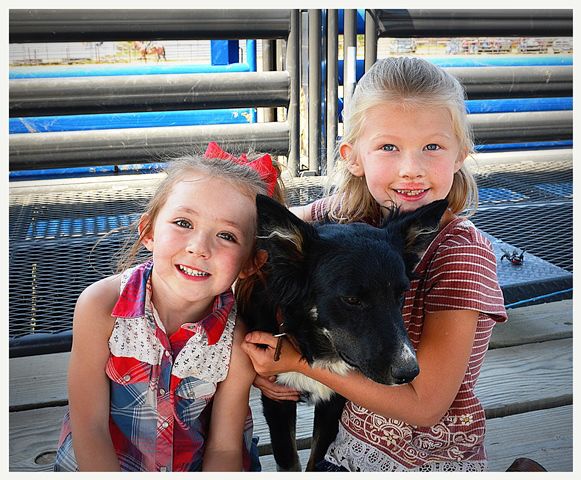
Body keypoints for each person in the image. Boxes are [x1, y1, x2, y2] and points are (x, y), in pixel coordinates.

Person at [242, 56, 508, 472]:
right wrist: (253, 361)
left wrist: (291, 363)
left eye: (432, 147)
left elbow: (424, 408)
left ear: (461, 155)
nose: (411, 170)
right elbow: (252, 247)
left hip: (419, 454)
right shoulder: (342, 214)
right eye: (388, 147)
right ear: (353, 156)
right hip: (343, 438)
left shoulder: (462, 256)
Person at [54, 142, 282, 472]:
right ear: (148, 232)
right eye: (183, 223)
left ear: (250, 263)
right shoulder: (100, 307)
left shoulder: (235, 344)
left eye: (227, 236)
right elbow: (90, 426)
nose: (199, 248)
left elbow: (224, 447)